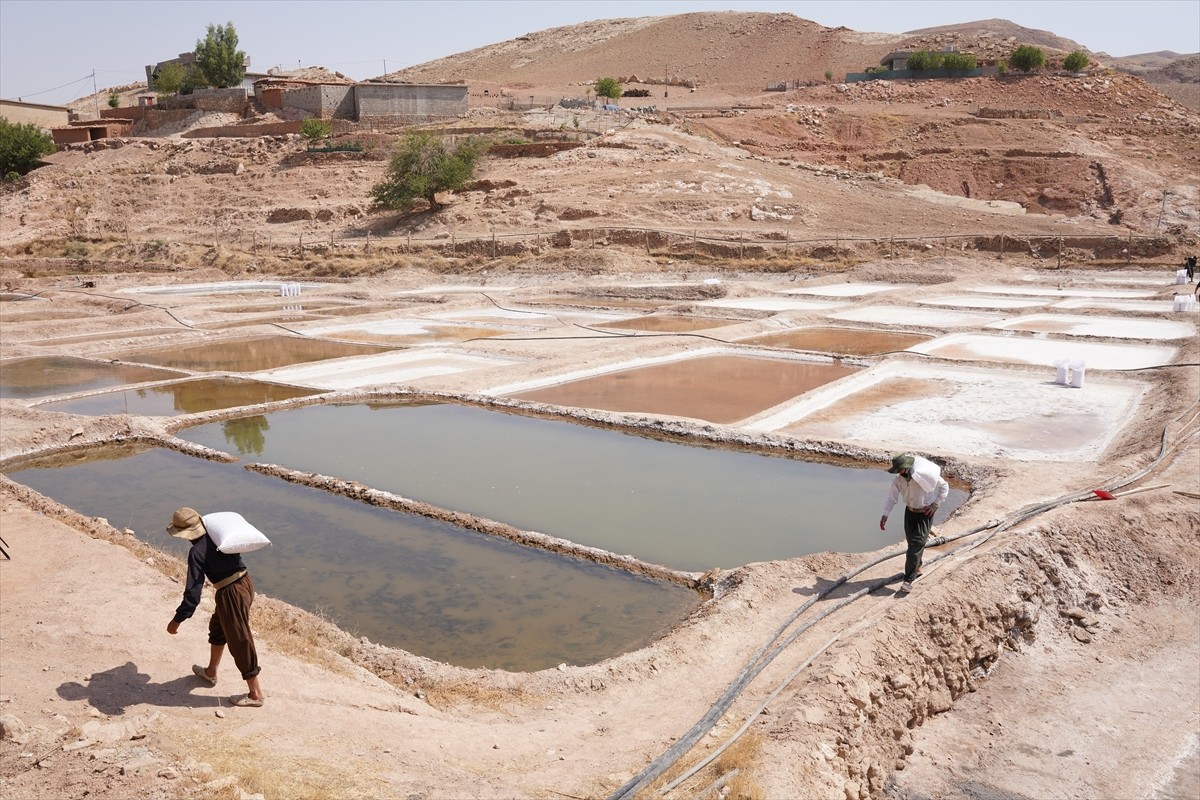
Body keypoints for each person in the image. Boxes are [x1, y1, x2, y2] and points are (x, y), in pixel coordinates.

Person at [165, 507, 265, 707]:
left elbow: (193, 592)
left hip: (231, 593)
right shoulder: (217, 536)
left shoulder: (196, 551)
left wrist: (177, 620)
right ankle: (211, 672)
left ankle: (255, 694)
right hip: (245, 583)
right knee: (218, 627)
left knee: (239, 639)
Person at [879, 453, 950, 593]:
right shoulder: (898, 480)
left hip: (925, 513)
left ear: (906, 467)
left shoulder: (923, 476)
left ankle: (908, 580)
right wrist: (885, 515)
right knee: (913, 543)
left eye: (900, 469)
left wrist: (936, 504)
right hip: (910, 513)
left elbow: (944, 486)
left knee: (916, 545)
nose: (899, 472)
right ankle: (917, 567)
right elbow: (891, 498)